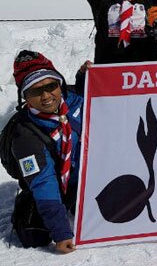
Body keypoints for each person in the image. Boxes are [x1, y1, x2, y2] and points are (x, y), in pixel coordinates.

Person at [7, 51, 84, 254]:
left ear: (60, 85)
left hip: (84, 180)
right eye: (35, 91)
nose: (46, 96)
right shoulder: (25, 135)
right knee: (35, 235)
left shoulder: (77, 101)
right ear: (25, 97)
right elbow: (44, 183)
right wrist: (61, 233)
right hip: (53, 185)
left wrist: (88, 76)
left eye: (51, 86)